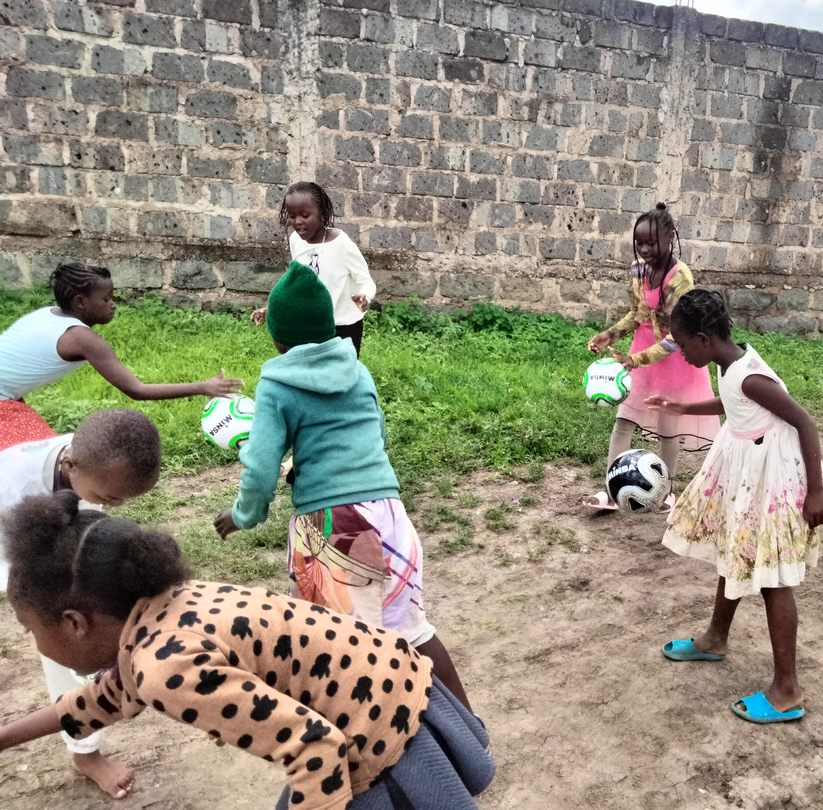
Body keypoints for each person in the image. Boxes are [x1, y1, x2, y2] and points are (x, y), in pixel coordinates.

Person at [0, 491, 494, 809]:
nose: (34, 641)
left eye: (30, 629)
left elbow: (316, 749)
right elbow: (102, 699)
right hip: (404, 692)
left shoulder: (163, 666)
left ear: (75, 624)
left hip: (379, 742)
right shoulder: (167, 607)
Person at [214, 260, 473, 711]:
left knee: (338, 647)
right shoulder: (359, 371)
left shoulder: (276, 384)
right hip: (389, 517)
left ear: (277, 337)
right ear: (328, 326)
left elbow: (260, 469)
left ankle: (365, 736)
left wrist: (242, 516)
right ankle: (468, 727)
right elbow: (377, 435)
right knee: (411, 630)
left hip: (333, 528)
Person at [645, 289, 823, 725]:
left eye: (682, 344)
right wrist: (684, 406)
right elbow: (732, 402)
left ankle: (787, 690)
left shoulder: (750, 376)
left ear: (704, 339)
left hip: (776, 476)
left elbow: (805, 422)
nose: (680, 353)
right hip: (748, 466)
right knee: (734, 549)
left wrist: (816, 492)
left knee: (773, 580)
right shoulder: (727, 365)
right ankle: (715, 638)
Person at [0, 409, 161, 800]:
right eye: (109, 498)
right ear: (71, 465)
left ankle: (85, 753)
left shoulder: (95, 463)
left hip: (40, 551)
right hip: (9, 539)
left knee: (72, 647)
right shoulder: (14, 483)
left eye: (124, 498)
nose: (116, 505)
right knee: (62, 632)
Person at [0, 262, 241, 448]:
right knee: (46, 466)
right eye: (106, 299)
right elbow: (137, 390)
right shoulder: (82, 338)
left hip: (9, 398)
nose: (113, 304)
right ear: (80, 302)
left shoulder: (48, 314)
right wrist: (202, 387)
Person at [583, 203, 719, 510]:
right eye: (639, 243)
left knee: (668, 429)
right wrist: (610, 334)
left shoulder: (680, 277)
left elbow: (677, 335)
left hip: (674, 358)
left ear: (670, 238)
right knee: (624, 420)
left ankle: (666, 490)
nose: (644, 249)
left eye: (650, 243)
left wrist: (635, 360)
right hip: (641, 353)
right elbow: (637, 314)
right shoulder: (638, 270)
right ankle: (611, 489)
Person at [251, 181, 376, 357]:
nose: (298, 222)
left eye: (305, 215)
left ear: (322, 213)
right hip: (311, 325)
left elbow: (366, 281)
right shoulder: (295, 240)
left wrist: (365, 297)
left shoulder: (342, 245)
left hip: (343, 326)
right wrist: (271, 309)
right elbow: (297, 284)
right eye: (292, 216)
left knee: (343, 370)